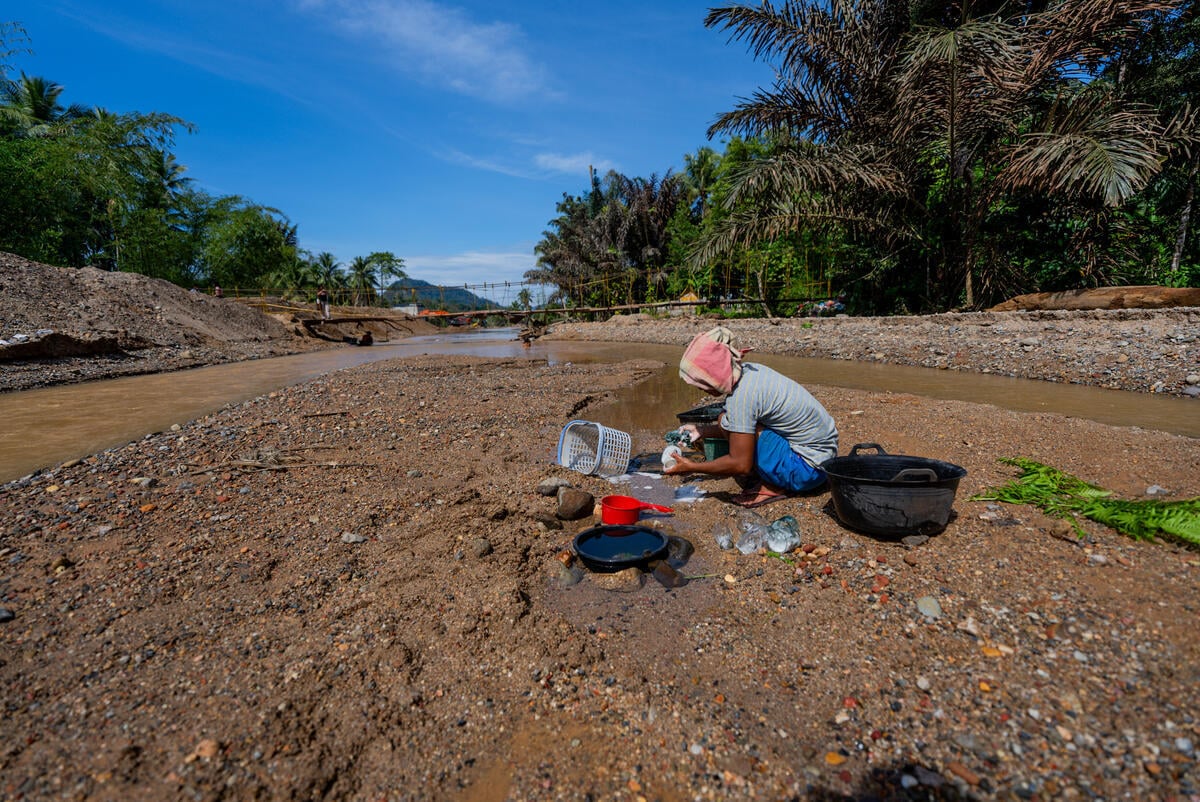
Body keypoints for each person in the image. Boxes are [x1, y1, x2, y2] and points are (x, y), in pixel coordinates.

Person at [664, 326, 838, 508]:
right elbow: (737, 425)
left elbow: (740, 465)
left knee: (727, 424)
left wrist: (691, 466)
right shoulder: (749, 371)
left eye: (701, 383)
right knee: (726, 420)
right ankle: (772, 473)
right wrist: (701, 430)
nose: (700, 388)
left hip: (807, 471)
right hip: (824, 460)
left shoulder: (742, 398)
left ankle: (775, 485)